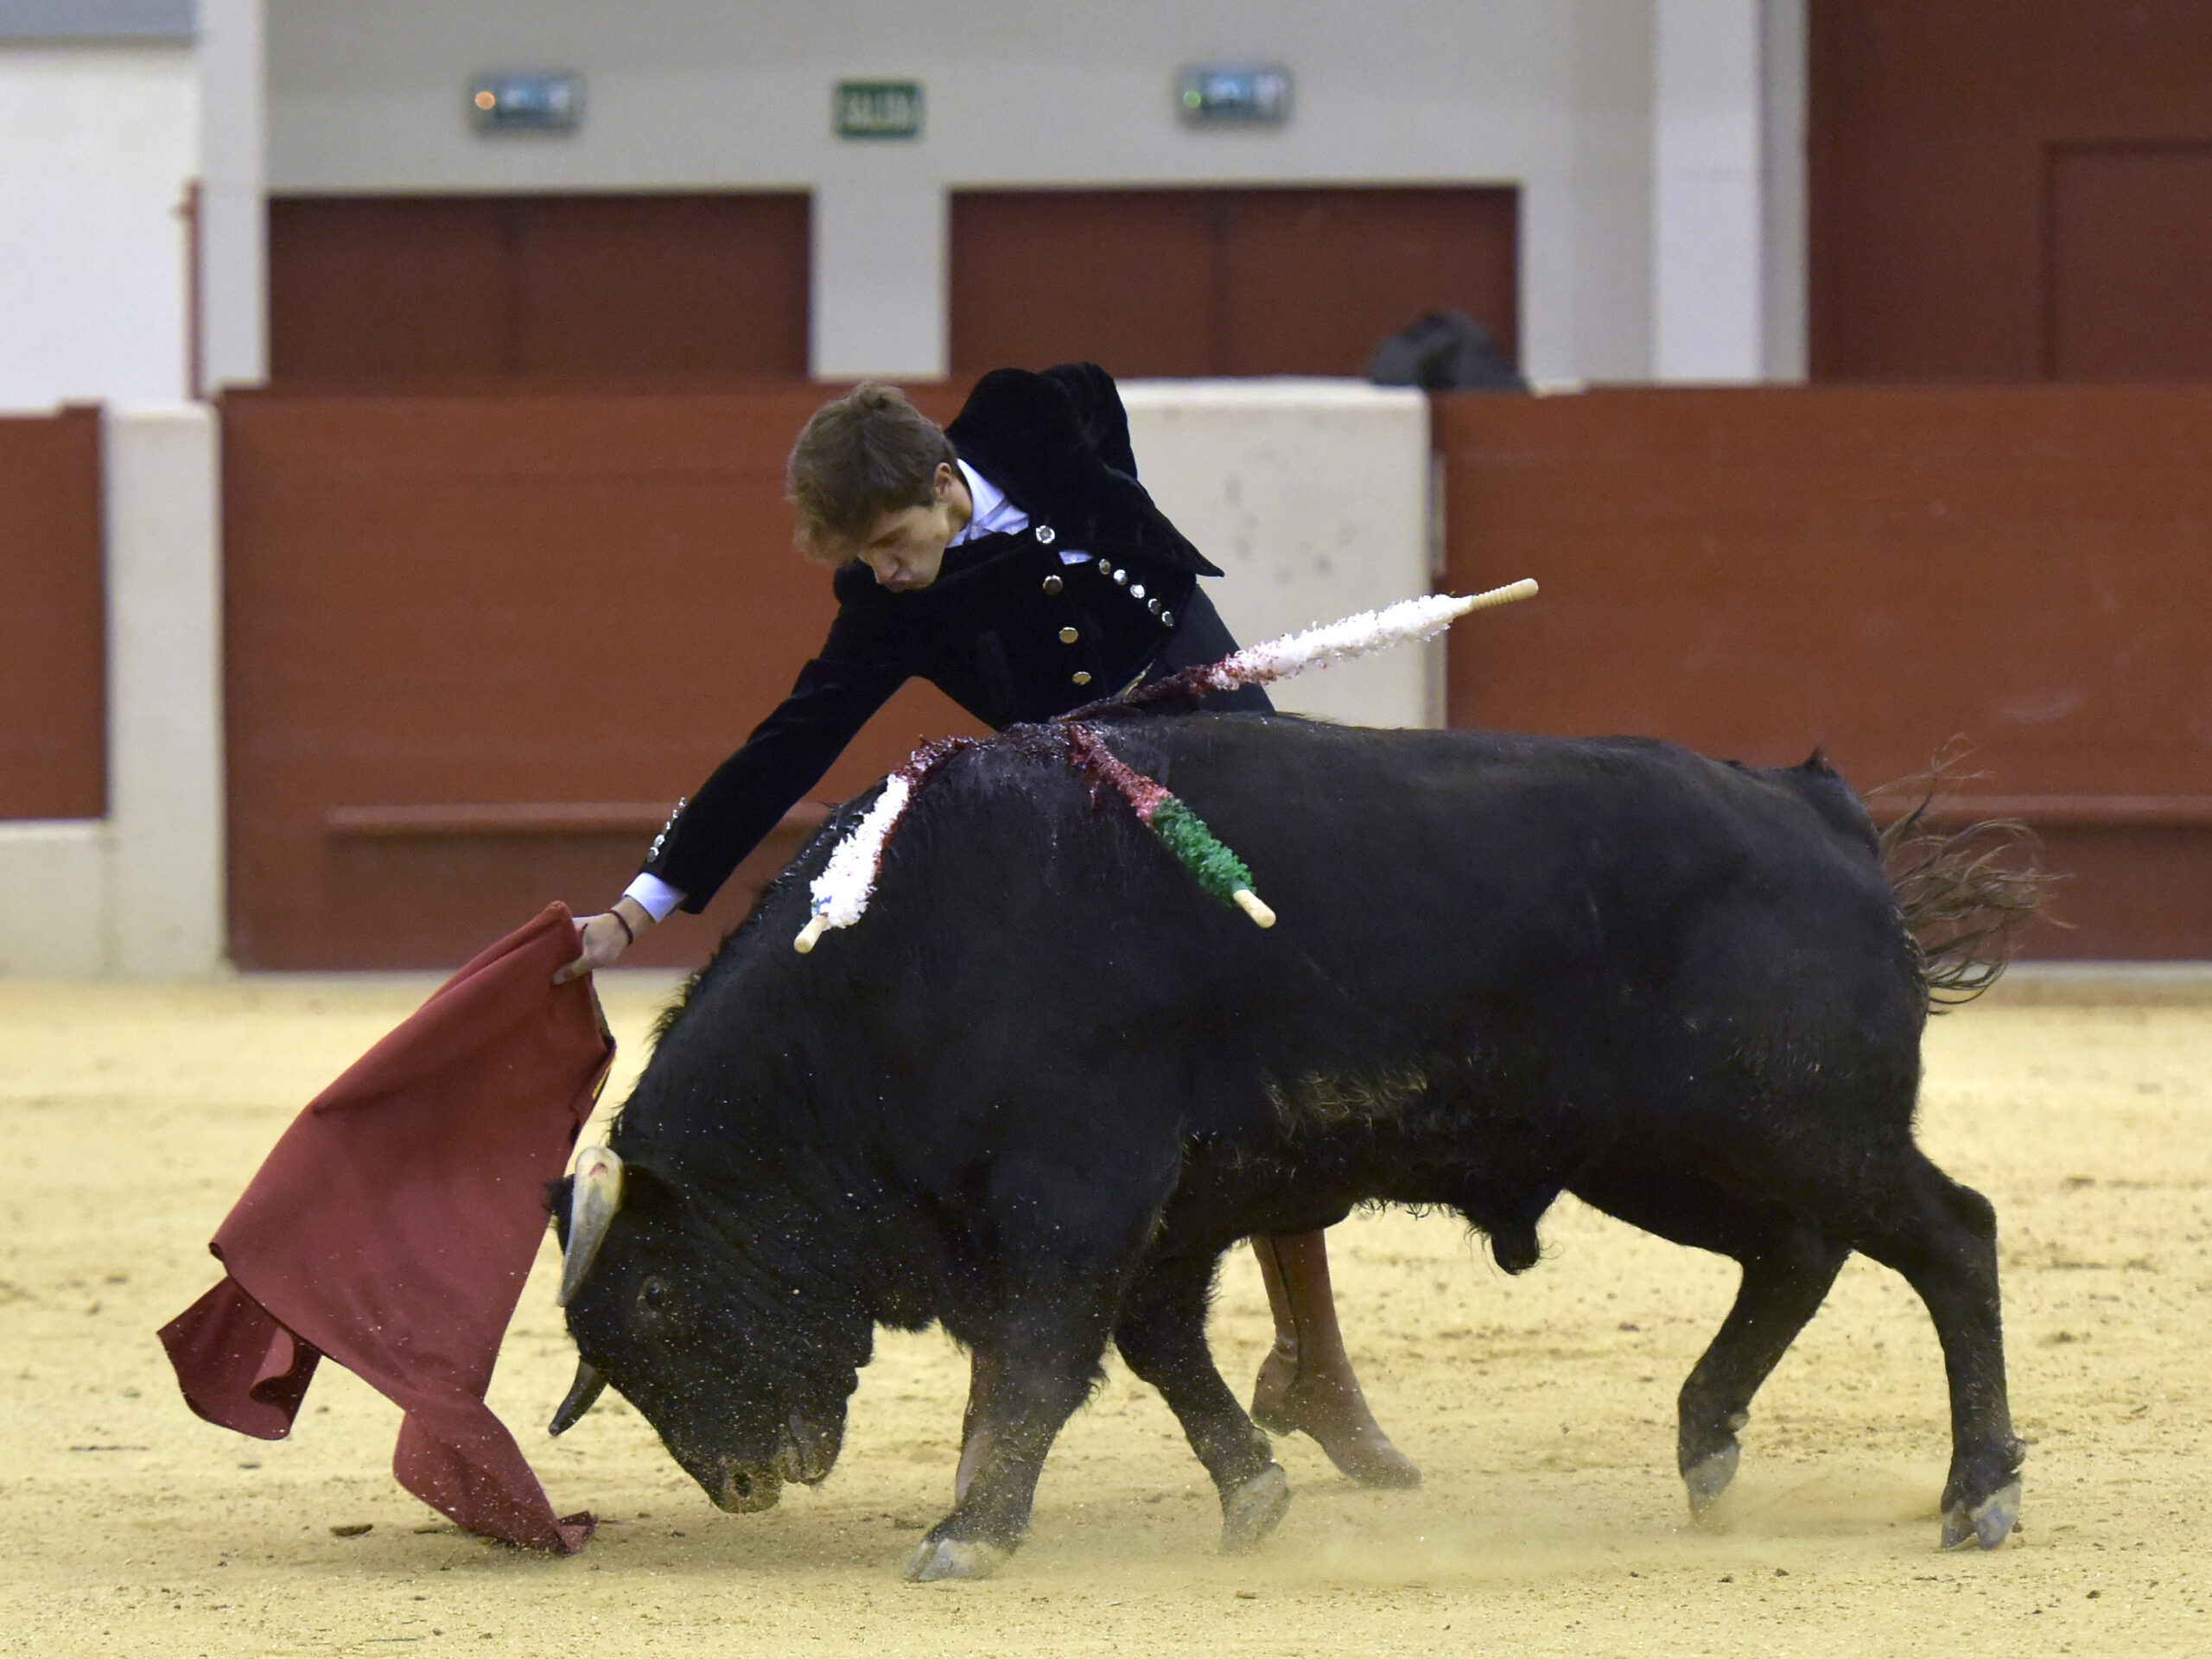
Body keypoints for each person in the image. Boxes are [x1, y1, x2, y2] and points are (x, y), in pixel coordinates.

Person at [558, 363, 1418, 1488]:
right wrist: (641, 906)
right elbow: (787, 746)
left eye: (894, 538)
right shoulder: (890, 606)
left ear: (943, 482)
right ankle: (999, 1445)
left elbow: (1094, 406)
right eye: (864, 556)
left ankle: (1310, 1362)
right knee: (1034, 1114)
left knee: (1281, 1077)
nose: (885, 568)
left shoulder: (1042, 420)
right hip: (1106, 844)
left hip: (1244, 779)